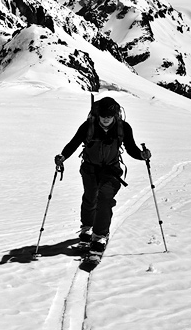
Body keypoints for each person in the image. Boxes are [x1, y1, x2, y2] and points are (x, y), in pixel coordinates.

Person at [54, 96, 151, 260]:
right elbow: (74, 143)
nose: (106, 119)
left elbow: (131, 148)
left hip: (111, 171)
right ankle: (86, 229)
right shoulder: (88, 126)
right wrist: (63, 156)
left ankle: (99, 237)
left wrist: (142, 155)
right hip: (90, 170)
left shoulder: (123, 128)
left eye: (109, 116)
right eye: (103, 116)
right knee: (90, 198)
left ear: (115, 115)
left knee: (104, 200)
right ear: (97, 114)